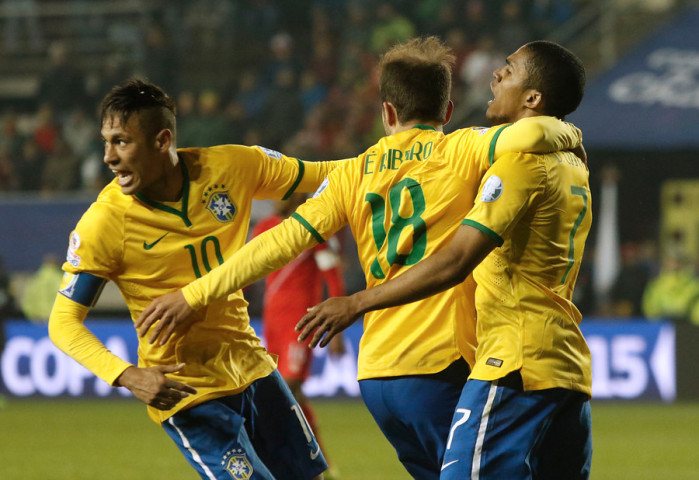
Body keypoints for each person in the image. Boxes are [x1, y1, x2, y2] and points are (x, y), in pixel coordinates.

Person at [135, 37, 583, 479]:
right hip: (442, 363)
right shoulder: (464, 148)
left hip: (377, 374)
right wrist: (571, 133)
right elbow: (534, 132)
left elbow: (276, 243)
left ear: (387, 112)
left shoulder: (353, 171)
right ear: (447, 112)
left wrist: (193, 294)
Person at [297, 41, 593, 479]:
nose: (496, 75)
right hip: (566, 365)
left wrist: (357, 302)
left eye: (509, 70)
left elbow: (456, 260)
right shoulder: (573, 165)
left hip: (514, 361)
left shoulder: (519, 166)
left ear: (533, 98)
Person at [47, 78, 345, 480]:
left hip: (251, 364)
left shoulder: (231, 166)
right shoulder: (105, 223)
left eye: (121, 142)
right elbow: (63, 322)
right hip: (187, 388)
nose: (109, 157)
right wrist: (128, 375)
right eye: (106, 142)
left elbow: (330, 174)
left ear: (162, 140)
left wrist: (394, 157)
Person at [251, 192, 346, 478]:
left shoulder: (314, 227)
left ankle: (287, 459)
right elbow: (246, 271)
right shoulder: (264, 228)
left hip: (302, 323)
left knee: (288, 387)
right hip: (272, 323)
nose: (274, 199)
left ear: (298, 196)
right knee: (292, 394)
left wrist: (338, 329)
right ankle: (319, 462)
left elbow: (332, 277)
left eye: (282, 193)